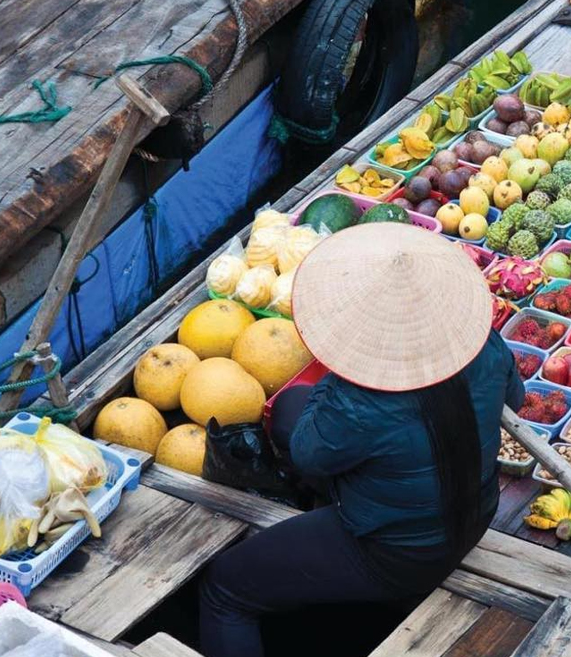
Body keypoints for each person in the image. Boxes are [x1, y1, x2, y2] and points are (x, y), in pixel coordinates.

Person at [199, 223, 525, 657]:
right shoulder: (484, 344)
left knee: (224, 589)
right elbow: (515, 400)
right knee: (292, 408)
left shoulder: (358, 400)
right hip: (475, 510)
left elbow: (309, 457)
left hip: (398, 553)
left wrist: (340, 377)